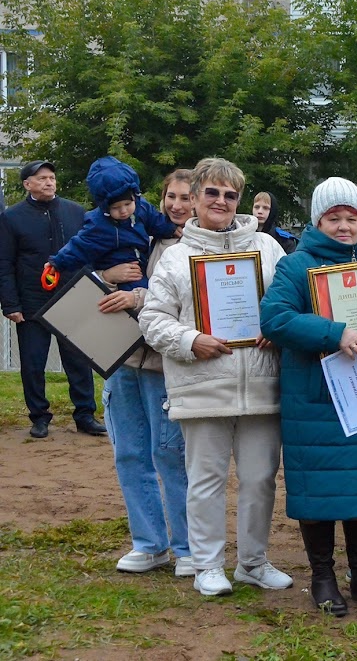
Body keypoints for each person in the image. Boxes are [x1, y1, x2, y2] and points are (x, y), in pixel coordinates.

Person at [261, 176, 357, 616]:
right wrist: (333, 333)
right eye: (334, 218)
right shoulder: (297, 264)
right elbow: (274, 320)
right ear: (318, 221)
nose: (345, 226)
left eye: (352, 217)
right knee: (321, 490)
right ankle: (323, 577)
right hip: (318, 397)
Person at [139, 157, 292, 598]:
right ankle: (207, 564)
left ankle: (253, 562)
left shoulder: (267, 249)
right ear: (196, 197)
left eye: (230, 194)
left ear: (239, 200)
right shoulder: (175, 258)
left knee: (261, 476)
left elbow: (292, 301)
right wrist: (191, 341)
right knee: (204, 478)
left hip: (262, 385)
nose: (221, 201)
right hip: (203, 383)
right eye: (213, 193)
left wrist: (275, 327)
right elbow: (153, 318)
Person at [96, 169, 194, 576]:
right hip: (120, 360)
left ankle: (187, 547)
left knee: (170, 455)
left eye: (186, 198)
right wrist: (105, 276)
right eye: (171, 196)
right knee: (130, 454)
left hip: (162, 364)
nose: (176, 205)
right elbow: (83, 269)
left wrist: (135, 294)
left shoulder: (197, 246)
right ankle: (149, 544)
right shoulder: (135, 231)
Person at [0, 160, 104, 438]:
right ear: (27, 184)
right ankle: (40, 417)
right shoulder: (12, 218)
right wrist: (10, 304)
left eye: (51, 177)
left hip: (72, 298)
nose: (49, 182)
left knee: (79, 361)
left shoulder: (75, 212)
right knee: (33, 363)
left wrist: (92, 290)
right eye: (42, 178)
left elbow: (89, 254)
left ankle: (85, 415)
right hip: (32, 303)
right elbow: (4, 263)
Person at [48, 156, 177, 291]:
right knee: (148, 293)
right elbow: (80, 246)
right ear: (105, 207)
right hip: (122, 269)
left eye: (128, 204)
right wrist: (57, 263)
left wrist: (171, 229)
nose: (123, 211)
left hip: (142, 262)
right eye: (116, 208)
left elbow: (156, 221)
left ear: (135, 196)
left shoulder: (142, 207)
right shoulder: (99, 224)